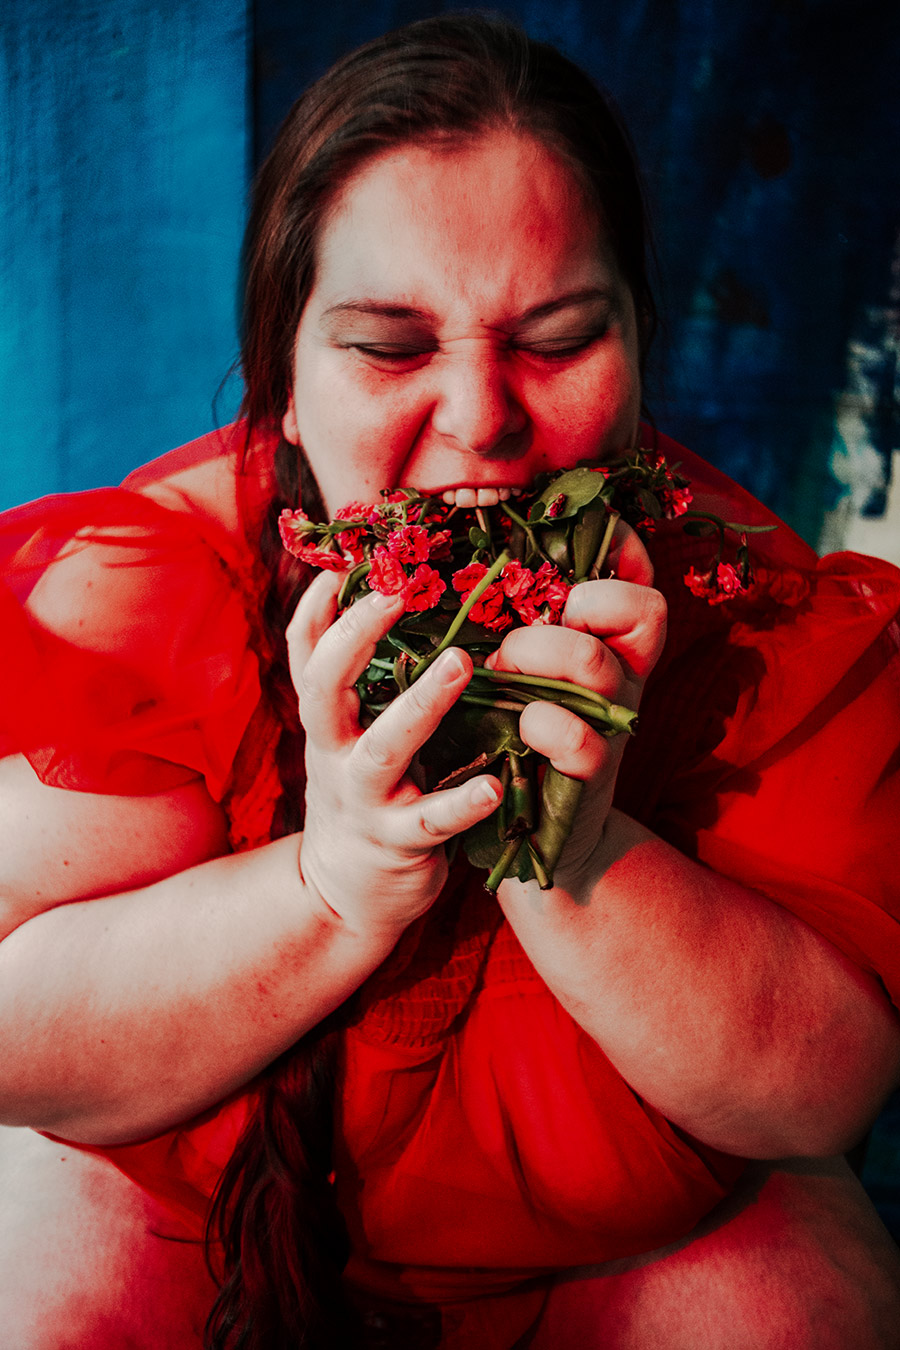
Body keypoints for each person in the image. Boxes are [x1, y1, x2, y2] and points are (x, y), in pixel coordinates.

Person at [1, 13, 899, 1349]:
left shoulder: (755, 618)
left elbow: (821, 1098)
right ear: (284, 386)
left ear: (640, 350)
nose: (484, 417)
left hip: (621, 1245)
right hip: (208, 1216)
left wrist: (574, 847)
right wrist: (333, 883)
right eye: (389, 343)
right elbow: (24, 1037)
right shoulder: (148, 592)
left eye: (558, 334)